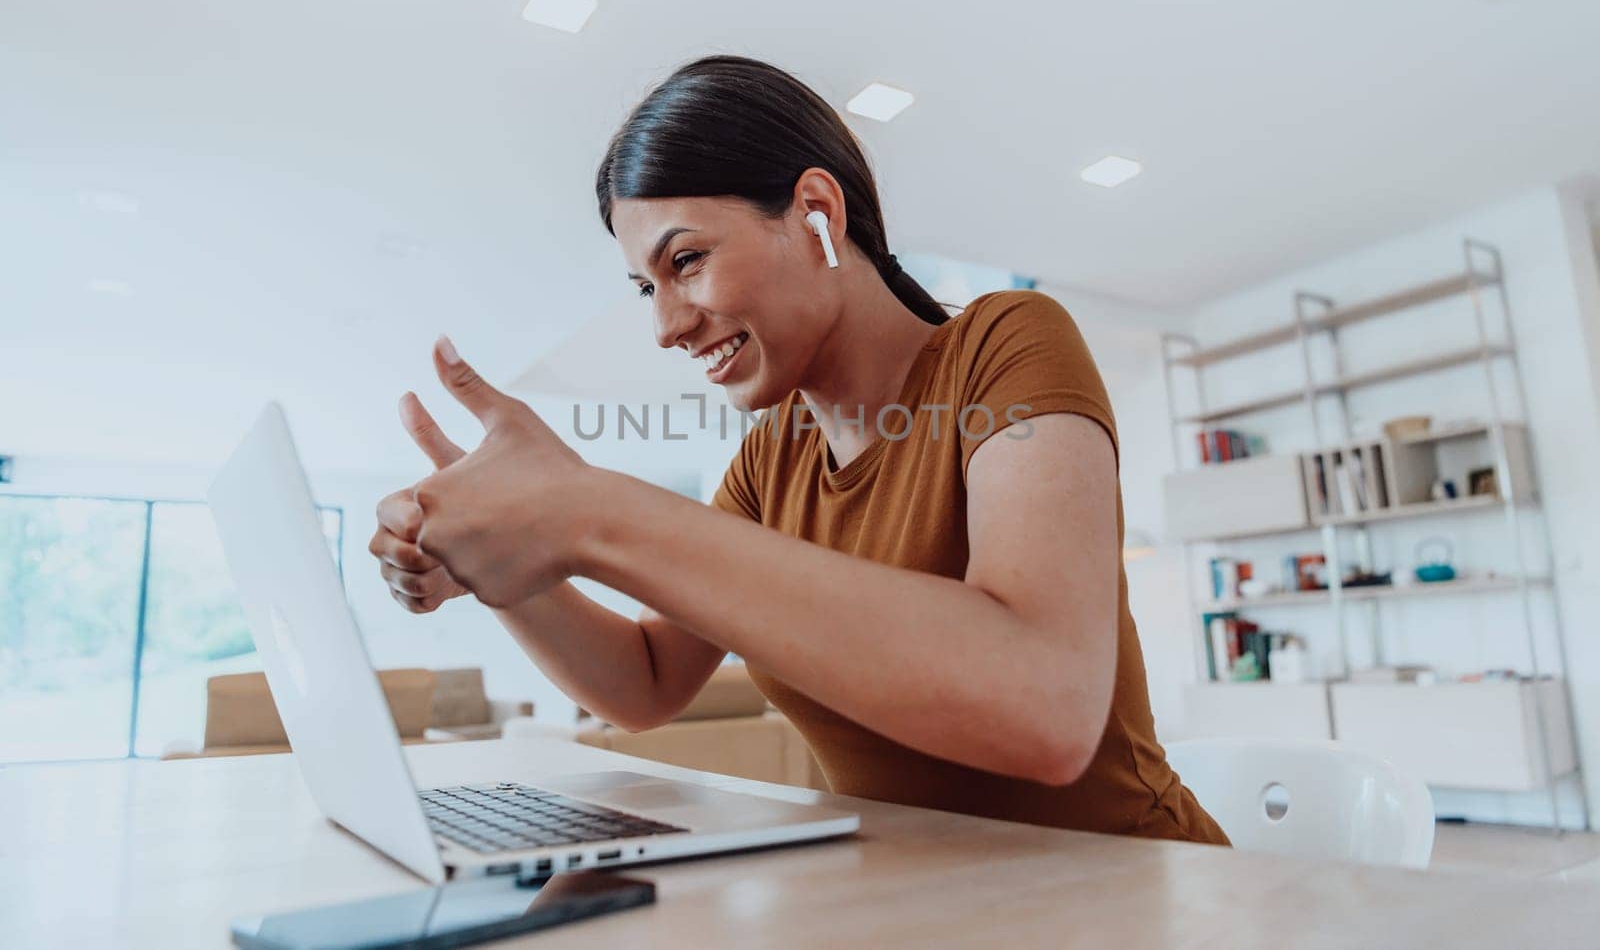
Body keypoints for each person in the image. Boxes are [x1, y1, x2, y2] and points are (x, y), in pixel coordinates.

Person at [368, 55, 1227, 845]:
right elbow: (647, 681)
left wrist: (590, 507)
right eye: (646, 288)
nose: (665, 326)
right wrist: (492, 559)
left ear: (816, 213)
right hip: (932, 909)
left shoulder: (1009, 345)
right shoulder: (770, 460)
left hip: (1136, 892)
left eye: (688, 261)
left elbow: (1046, 705)